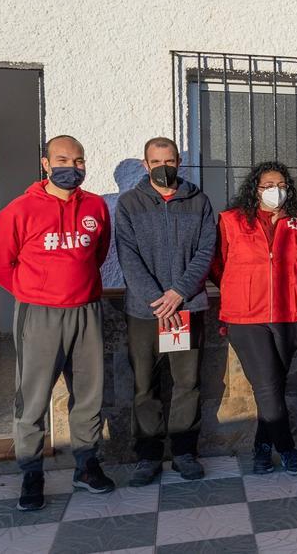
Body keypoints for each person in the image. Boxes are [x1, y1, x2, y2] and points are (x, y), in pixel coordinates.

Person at [0, 135, 114, 511]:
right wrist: (35, 292)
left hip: (87, 311)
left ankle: (87, 464)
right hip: (38, 315)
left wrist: (79, 288)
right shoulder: (19, 210)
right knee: (33, 397)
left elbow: (99, 251)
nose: (71, 167)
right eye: (62, 159)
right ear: (45, 163)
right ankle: (31, 472)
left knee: (90, 393)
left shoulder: (95, 206)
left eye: (78, 161)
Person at [116, 137, 216, 486]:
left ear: (179, 162)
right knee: (146, 386)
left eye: (170, 160)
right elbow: (127, 256)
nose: (163, 167)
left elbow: (206, 251)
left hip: (186, 308)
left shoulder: (198, 201)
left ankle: (185, 451)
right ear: (145, 165)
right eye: (156, 161)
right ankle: (148, 456)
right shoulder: (129, 204)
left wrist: (178, 293)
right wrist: (157, 299)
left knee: (187, 383)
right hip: (145, 313)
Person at [212, 161, 297, 476]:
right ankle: (287, 448)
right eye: (267, 185)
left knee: (272, 387)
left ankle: (261, 447)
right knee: (268, 386)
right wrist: (240, 287)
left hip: (289, 314)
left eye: (281, 184)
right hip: (246, 317)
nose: (275, 190)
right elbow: (218, 264)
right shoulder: (231, 221)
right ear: (254, 188)